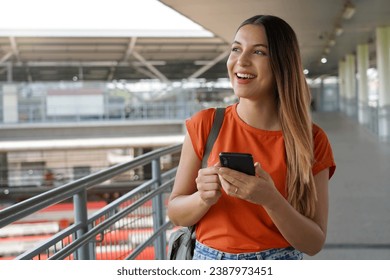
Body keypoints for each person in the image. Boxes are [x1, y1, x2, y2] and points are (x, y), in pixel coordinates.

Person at [167, 15, 336, 260]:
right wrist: (202, 198)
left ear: (282, 64)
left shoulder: (312, 139)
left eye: (258, 52)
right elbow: (175, 213)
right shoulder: (205, 124)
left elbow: (314, 242)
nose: (241, 61)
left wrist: (271, 200)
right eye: (236, 49)